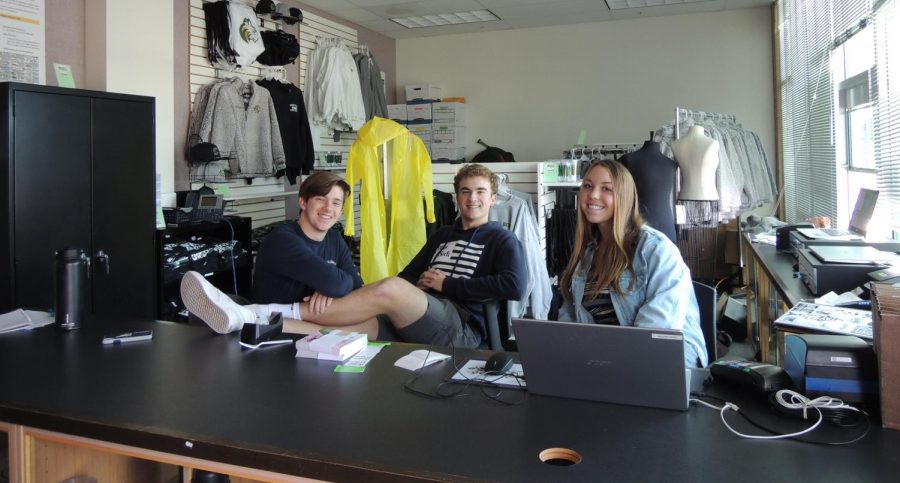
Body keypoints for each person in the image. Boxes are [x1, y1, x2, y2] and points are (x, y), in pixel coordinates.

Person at [182, 164, 527, 348]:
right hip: (417, 318)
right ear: (456, 196)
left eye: (481, 192)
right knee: (349, 329)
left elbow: (515, 286)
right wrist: (410, 294)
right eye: (465, 191)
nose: (472, 199)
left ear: (493, 198)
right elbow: (407, 276)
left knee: (389, 288)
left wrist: (448, 284)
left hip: (459, 327)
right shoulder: (443, 236)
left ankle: (253, 310)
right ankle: (247, 322)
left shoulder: (502, 238)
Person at [556, 159, 707, 368]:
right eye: (588, 186)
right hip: (606, 359)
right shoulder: (587, 255)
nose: (593, 195)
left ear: (624, 197)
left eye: (606, 189)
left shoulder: (656, 249)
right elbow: (569, 315)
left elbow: (657, 330)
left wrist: (612, 364)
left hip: (663, 360)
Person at [180, 171, 362, 334]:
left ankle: (249, 315)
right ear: (303, 202)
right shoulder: (282, 240)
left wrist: (330, 289)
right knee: (384, 294)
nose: (328, 208)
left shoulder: (334, 239)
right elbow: (340, 284)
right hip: (277, 330)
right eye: (320, 199)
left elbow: (355, 284)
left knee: (370, 323)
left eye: (336, 202)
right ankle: (254, 316)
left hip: (314, 325)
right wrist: (333, 286)